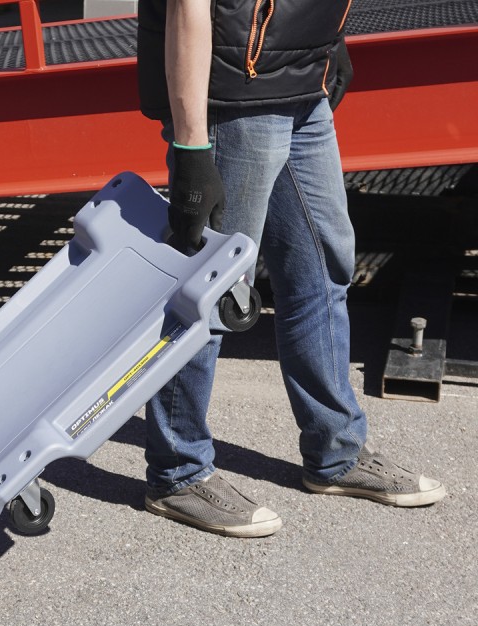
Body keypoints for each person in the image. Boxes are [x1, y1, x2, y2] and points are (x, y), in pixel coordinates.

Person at [136, 0, 446, 537]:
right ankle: (178, 473)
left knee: (322, 270)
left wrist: (327, 44)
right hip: (234, 98)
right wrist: (191, 145)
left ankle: (335, 453)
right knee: (211, 290)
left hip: (303, 85)